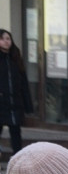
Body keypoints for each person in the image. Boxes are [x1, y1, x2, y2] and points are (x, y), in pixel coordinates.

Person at [0, 29, 34, 157]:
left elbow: (23, 82)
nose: (6, 41)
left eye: (8, 38)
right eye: (2, 39)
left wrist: (27, 104)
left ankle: (17, 159)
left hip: (15, 102)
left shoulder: (15, 58)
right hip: (1, 101)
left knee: (16, 132)